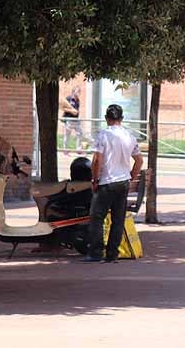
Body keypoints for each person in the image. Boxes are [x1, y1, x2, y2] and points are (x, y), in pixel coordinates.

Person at [85, 104, 143, 263]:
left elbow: (97, 160)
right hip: (123, 182)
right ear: (122, 119)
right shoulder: (129, 136)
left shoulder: (103, 135)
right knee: (118, 219)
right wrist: (132, 176)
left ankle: (96, 252)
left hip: (107, 182)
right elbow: (139, 160)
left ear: (106, 119)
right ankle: (112, 254)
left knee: (96, 217)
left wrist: (95, 179)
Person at [61, 86, 84, 151]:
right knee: (67, 135)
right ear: (73, 92)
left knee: (80, 133)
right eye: (78, 91)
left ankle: (78, 149)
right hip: (69, 120)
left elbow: (77, 109)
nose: (79, 93)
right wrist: (72, 111)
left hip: (76, 120)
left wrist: (77, 112)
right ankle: (65, 150)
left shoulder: (78, 100)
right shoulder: (68, 99)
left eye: (79, 92)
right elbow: (63, 108)